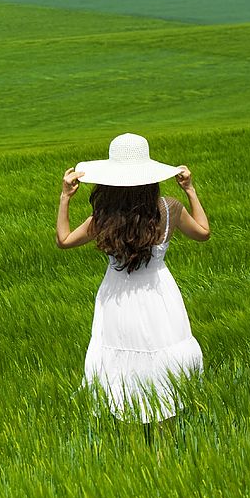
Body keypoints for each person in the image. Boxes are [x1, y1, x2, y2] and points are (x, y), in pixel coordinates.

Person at [56, 132, 210, 425]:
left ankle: (126, 421)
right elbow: (203, 232)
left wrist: (65, 197)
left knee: (121, 357)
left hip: (117, 297)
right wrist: (189, 189)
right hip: (159, 294)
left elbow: (64, 240)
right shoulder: (169, 208)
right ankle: (164, 423)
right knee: (164, 353)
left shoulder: (105, 215)